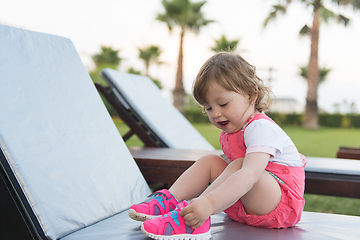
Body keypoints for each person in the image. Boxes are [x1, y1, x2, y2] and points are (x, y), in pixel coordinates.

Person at [128, 52, 307, 240]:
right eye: (209, 108)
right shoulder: (232, 132)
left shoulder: (260, 127)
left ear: (250, 95)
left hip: (279, 206)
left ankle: (195, 217)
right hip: (245, 202)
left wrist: (208, 204)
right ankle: (169, 201)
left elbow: (250, 174)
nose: (215, 114)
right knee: (210, 161)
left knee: (241, 166)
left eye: (222, 104)